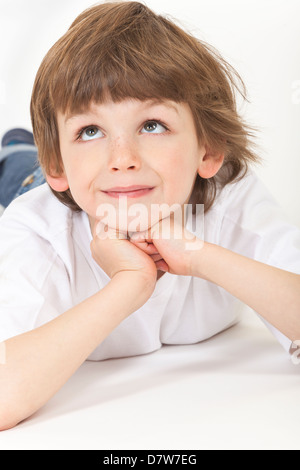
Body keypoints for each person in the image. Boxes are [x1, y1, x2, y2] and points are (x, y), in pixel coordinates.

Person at [0, 1, 299, 431]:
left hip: (82, 181)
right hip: (35, 185)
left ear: (209, 149)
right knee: (19, 174)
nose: (123, 159)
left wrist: (198, 256)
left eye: (152, 125)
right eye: (90, 130)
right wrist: (129, 285)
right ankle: (19, 148)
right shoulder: (38, 227)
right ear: (59, 167)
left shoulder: (230, 196)